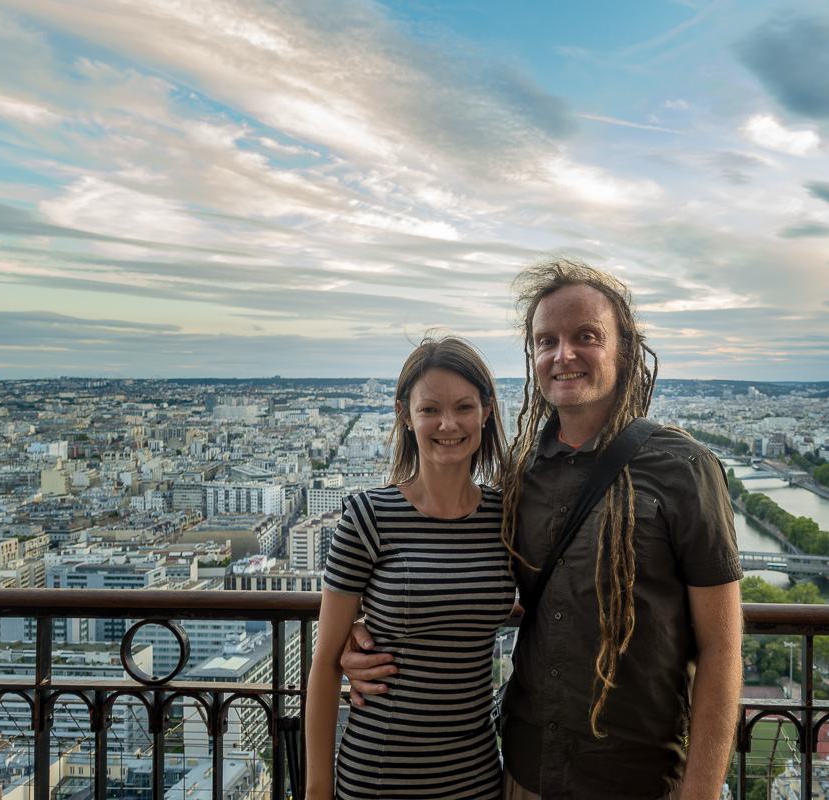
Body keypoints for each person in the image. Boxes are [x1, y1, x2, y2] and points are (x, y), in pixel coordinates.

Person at [344, 260, 743, 800]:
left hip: (636, 775)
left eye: (587, 337)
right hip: (525, 767)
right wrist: (359, 629)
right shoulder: (520, 476)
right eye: (546, 340)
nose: (564, 354)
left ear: (623, 349)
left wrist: (702, 793)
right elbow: (463, 570)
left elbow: (721, 648)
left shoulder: (684, 469)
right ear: (532, 357)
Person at [305, 336, 515, 800]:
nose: (447, 424)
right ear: (405, 414)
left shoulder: (506, 518)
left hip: (476, 776)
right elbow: (324, 664)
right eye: (430, 410)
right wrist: (317, 790)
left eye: (463, 407)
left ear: (487, 410)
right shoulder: (368, 517)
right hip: (379, 776)